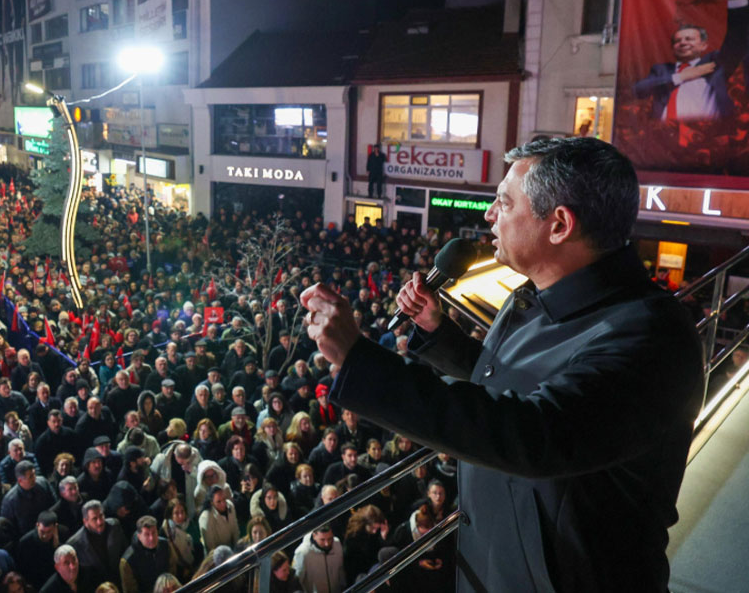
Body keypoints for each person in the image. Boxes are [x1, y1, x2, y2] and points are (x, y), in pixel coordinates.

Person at [301, 137, 704, 591]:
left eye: (504, 202)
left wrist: (359, 359)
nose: (489, 215)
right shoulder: (536, 295)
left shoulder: (649, 337)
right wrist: (438, 333)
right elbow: (514, 383)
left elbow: (538, 430)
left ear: (559, 225)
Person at [633, 0, 746, 123]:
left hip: (706, 139)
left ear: (703, 45)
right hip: (665, 138)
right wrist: (681, 76)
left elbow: (737, 39)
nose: (683, 43)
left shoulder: (714, 64)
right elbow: (639, 90)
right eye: (678, 41)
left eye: (689, 39)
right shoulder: (662, 70)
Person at [291, 526, 345, 593]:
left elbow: (341, 570)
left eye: (330, 539)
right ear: (314, 536)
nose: (327, 544)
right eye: (322, 540)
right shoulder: (302, 552)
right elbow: (297, 581)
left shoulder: (337, 543)